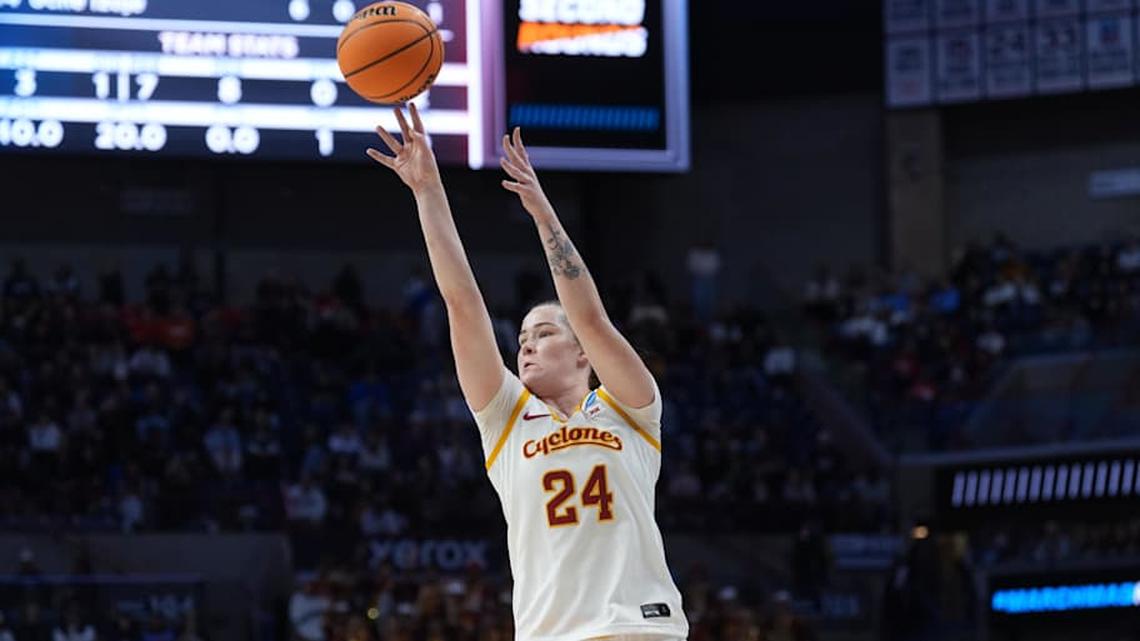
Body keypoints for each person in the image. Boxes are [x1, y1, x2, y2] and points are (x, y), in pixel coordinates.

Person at [368, 104, 688, 641]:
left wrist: (544, 215)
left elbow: (590, 317)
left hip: (639, 627)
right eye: (521, 339)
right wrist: (428, 192)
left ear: (583, 353)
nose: (527, 347)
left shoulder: (632, 409)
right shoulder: (506, 420)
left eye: (543, 333)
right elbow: (462, 303)